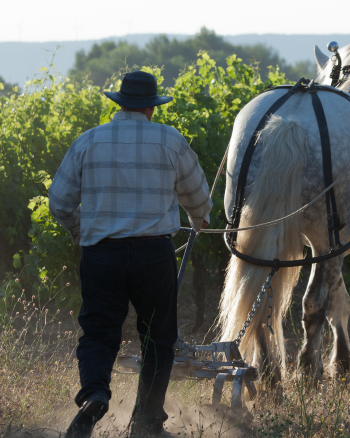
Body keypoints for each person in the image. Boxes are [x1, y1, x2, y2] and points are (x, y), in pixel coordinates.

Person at [49, 71, 212, 437]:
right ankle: (147, 421)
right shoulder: (170, 141)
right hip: (153, 256)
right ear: (152, 109)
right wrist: (197, 221)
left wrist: (83, 231)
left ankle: (93, 395)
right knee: (158, 338)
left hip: (100, 255)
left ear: (119, 103)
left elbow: (58, 202)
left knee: (98, 332)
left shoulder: (89, 141)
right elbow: (199, 200)